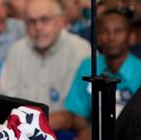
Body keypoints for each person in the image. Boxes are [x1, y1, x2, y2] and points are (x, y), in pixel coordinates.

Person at [0, 0, 90, 130]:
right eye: (31, 21)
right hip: (19, 133)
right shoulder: (17, 50)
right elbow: (3, 99)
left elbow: (74, 114)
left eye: (44, 19)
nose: (38, 27)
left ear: (60, 20)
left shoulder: (81, 50)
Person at [59, 8, 141, 137]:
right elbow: (79, 114)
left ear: (131, 36)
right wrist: (84, 132)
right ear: (97, 37)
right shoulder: (89, 66)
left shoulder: (139, 70)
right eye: (104, 31)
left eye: (118, 31)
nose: (111, 37)